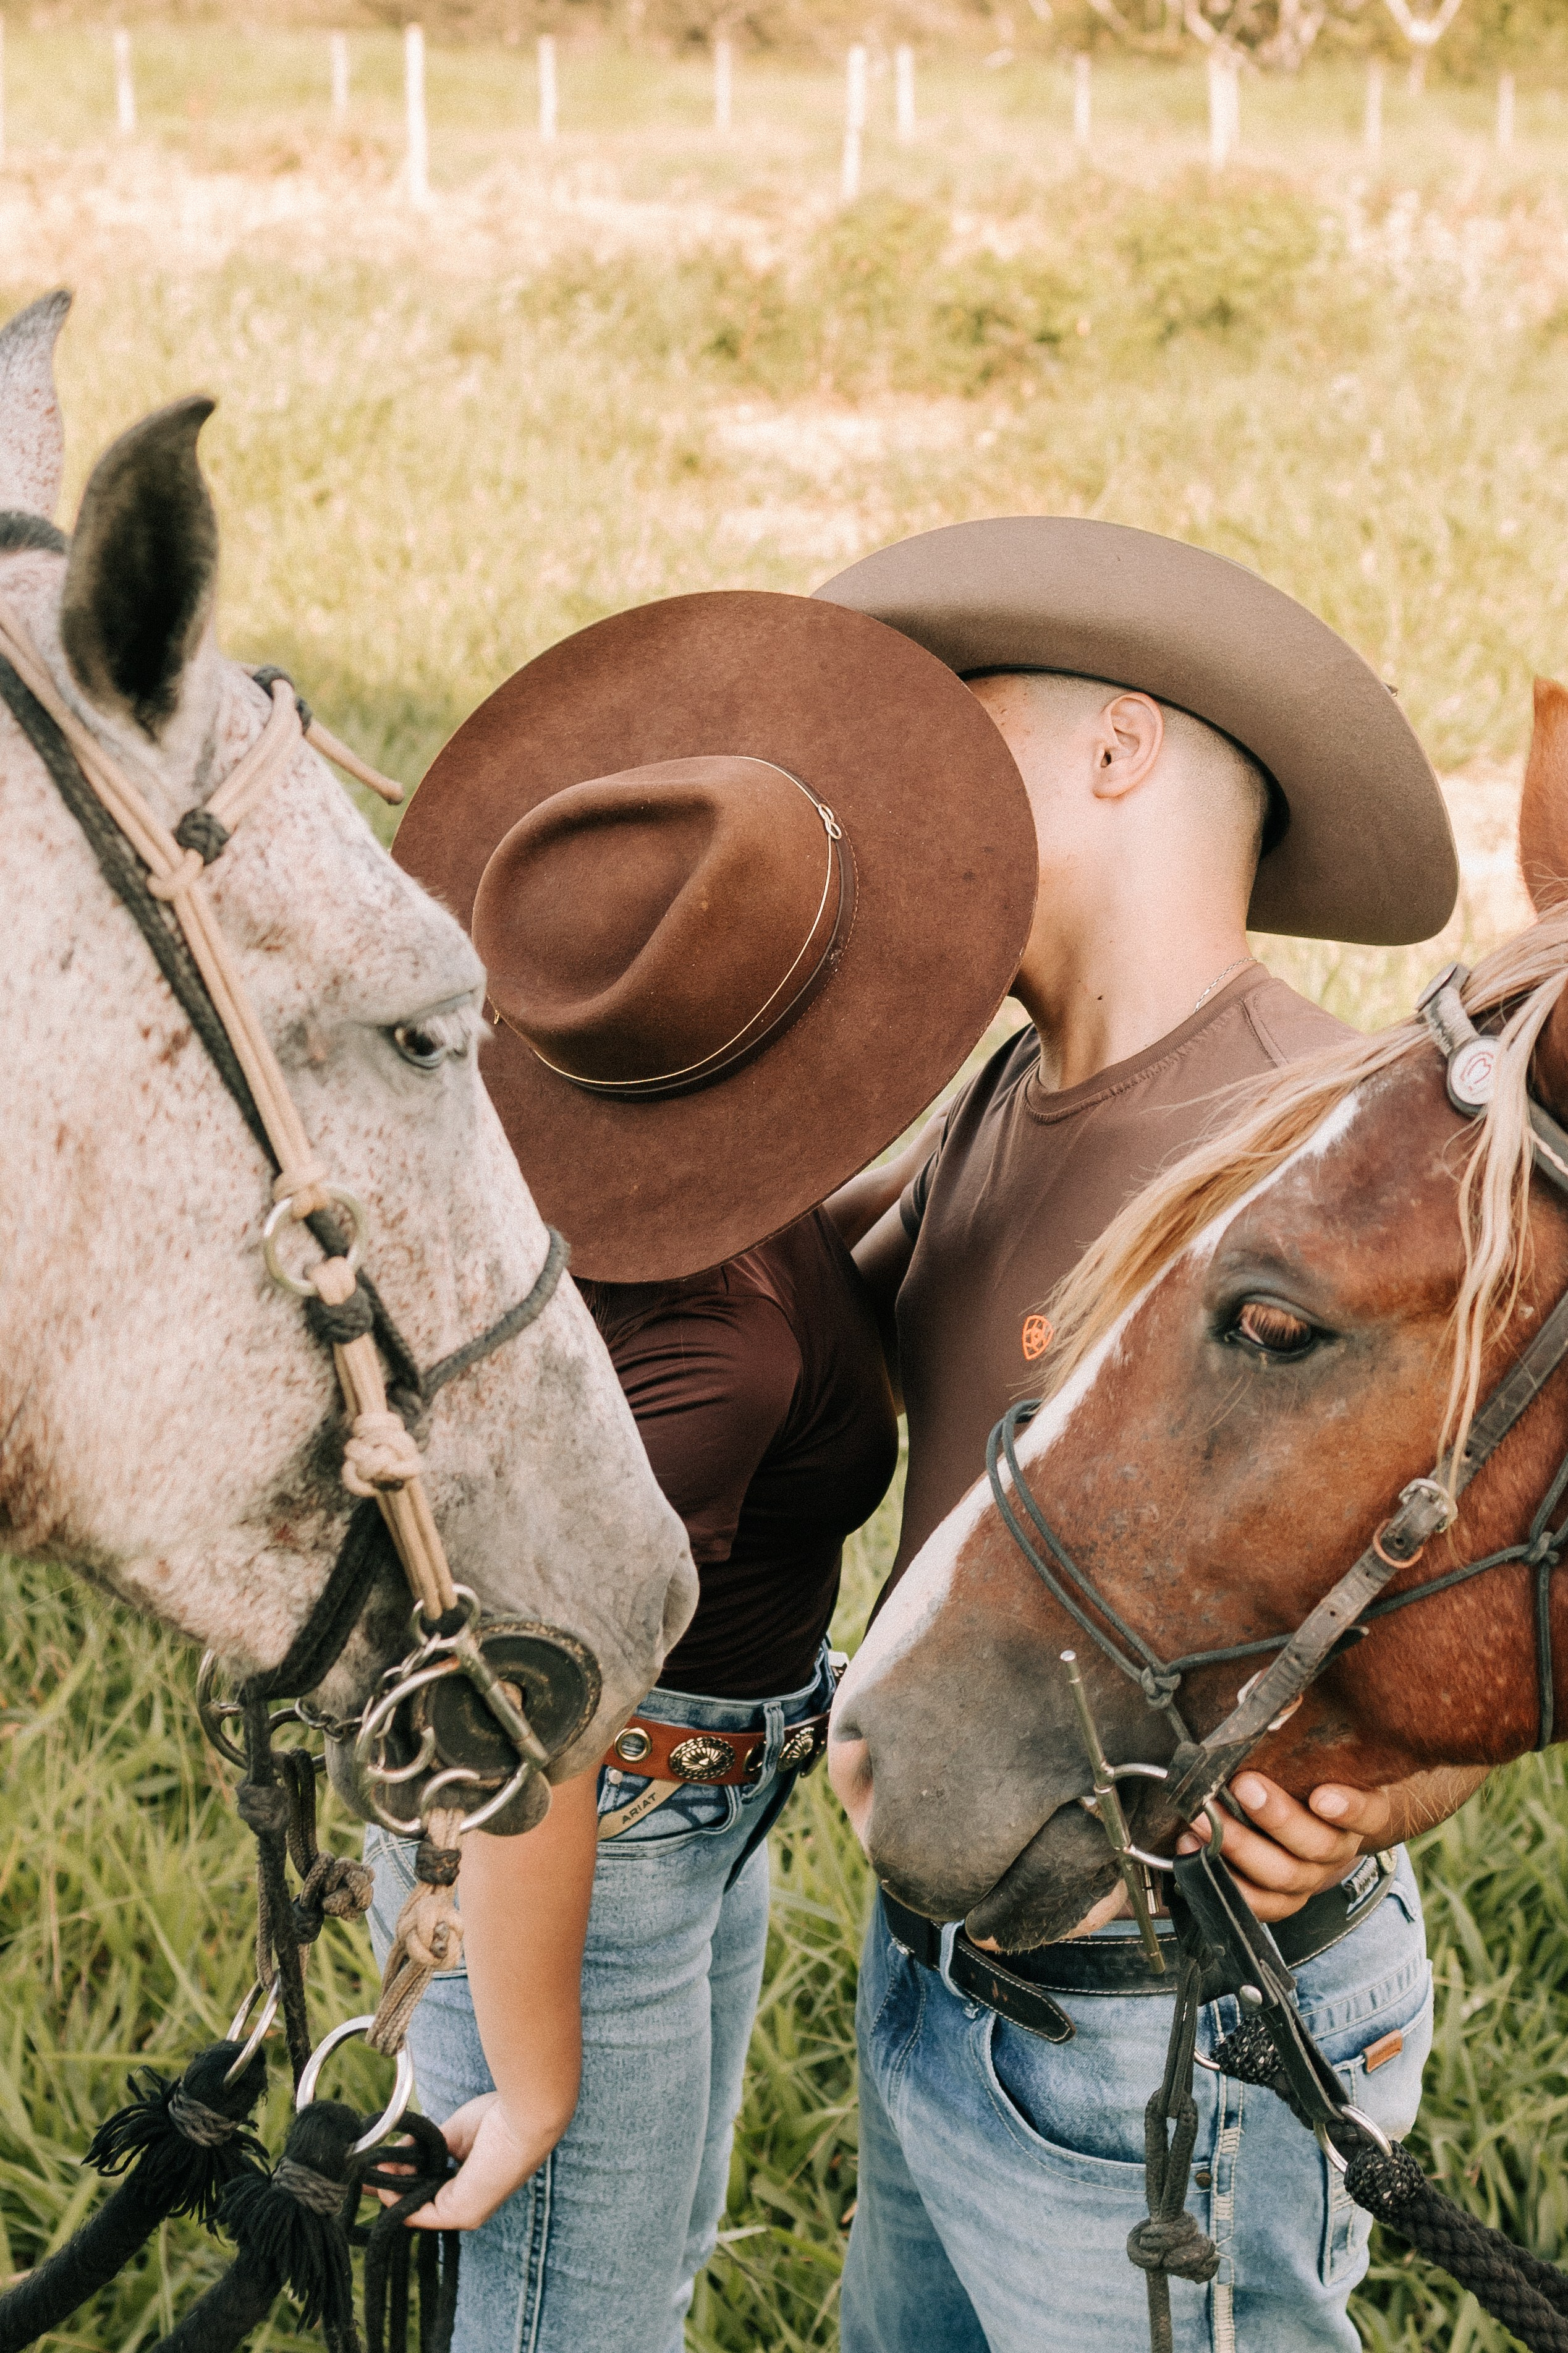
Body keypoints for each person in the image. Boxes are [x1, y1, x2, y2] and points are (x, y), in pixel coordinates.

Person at [818, 517, 1487, 2352]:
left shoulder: (1315, 1146)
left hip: (1170, 2019)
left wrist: (1395, 1787)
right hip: (949, 1936)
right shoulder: (1007, 1088)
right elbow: (794, 1339)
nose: (900, 805)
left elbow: (1497, 1517)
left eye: (956, 744)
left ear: (1119, 749)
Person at [368, 586, 1039, 2352]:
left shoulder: (665, 1206)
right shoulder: (701, 1364)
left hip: (685, 1798)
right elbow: (527, 1741)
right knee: (571, 2323)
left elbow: (818, 1273)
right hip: (581, 1834)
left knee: (638, 2275)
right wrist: (535, 2079)